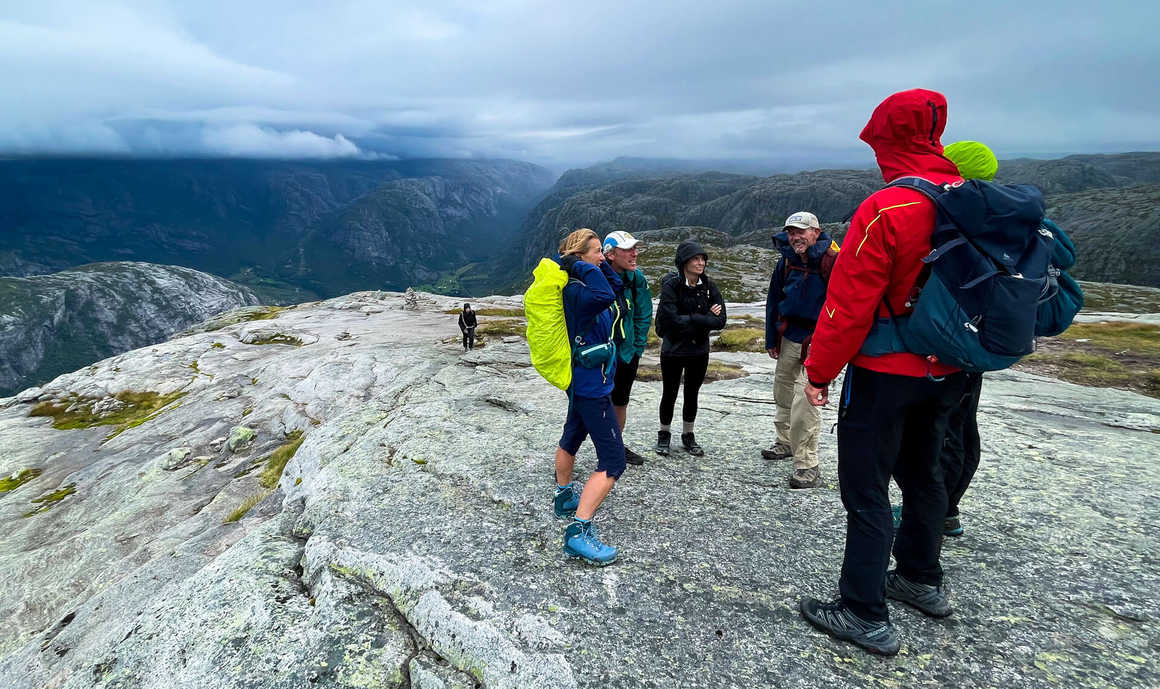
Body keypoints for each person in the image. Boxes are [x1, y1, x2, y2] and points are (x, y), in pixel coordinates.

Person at [797, 89, 968, 656]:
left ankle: (863, 610)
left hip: (885, 372)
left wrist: (819, 372)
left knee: (867, 488)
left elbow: (849, 306)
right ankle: (921, 578)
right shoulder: (968, 197)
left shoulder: (888, 208)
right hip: (950, 368)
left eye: (877, 142)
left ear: (887, 139)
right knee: (925, 471)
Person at [551, 228, 626, 566]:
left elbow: (617, 288)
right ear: (579, 257)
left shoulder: (584, 283)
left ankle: (564, 497)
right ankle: (578, 533)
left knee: (572, 435)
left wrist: (598, 263)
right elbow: (604, 295)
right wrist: (579, 266)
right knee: (613, 460)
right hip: (591, 386)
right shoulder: (577, 291)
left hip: (585, 382)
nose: (602, 256)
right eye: (596, 251)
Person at [762, 211, 838, 489]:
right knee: (782, 393)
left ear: (816, 232)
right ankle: (785, 442)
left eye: (801, 231)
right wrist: (772, 338)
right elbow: (774, 299)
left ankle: (807, 464)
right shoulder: (787, 261)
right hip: (789, 338)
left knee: (805, 404)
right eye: (792, 232)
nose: (795, 237)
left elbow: (841, 305)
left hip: (818, 342)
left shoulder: (832, 261)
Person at [653, 239, 726, 457]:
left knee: (692, 393)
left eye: (702, 258)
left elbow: (720, 320)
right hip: (673, 350)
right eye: (695, 258)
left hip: (698, 351)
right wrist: (703, 317)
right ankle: (664, 434)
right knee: (670, 392)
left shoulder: (709, 286)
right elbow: (671, 320)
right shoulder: (671, 286)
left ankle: (688, 435)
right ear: (683, 262)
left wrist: (690, 320)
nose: (700, 262)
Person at [602, 231, 654, 467]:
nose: (635, 254)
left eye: (636, 248)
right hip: (600, 355)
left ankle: (615, 447)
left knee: (620, 401)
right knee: (587, 405)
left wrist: (637, 348)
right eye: (628, 249)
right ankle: (567, 459)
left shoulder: (636, 279)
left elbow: (644, 313)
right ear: (610, 255)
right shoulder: (595, 277)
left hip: (626, 353)